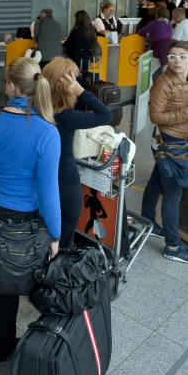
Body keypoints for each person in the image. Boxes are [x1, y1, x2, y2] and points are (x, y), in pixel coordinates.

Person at [0, 57, 61, 361]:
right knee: (6, 278)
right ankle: (2, 346)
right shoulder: (47, 132)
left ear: (10, 85)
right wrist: (56, 235)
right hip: (19, 212)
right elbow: (48, 193)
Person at [141, 41, 188, 264]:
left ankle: (147, 221)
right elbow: (156, 116)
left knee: (157, 181)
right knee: (173, 192)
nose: (176, 61)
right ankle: (172, 245)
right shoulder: (164, 83)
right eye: (172, 57)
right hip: (170, 142)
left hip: (183, 138)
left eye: (182, 56)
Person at [42, 57, 113, 247]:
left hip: (38, 177)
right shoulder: (66, 116)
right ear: (67, 85)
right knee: (65, 233)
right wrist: (82, 92)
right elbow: (106, 115)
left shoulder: (37, 109)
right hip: (64, 178)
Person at [138, 4, 174, 69]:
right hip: (169, 50)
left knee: (147, 70)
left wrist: (148, 33)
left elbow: (140, 32)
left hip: (158, 51)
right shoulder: (169, 24)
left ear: (157, 14)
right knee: (166, 71)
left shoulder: (154, 23)